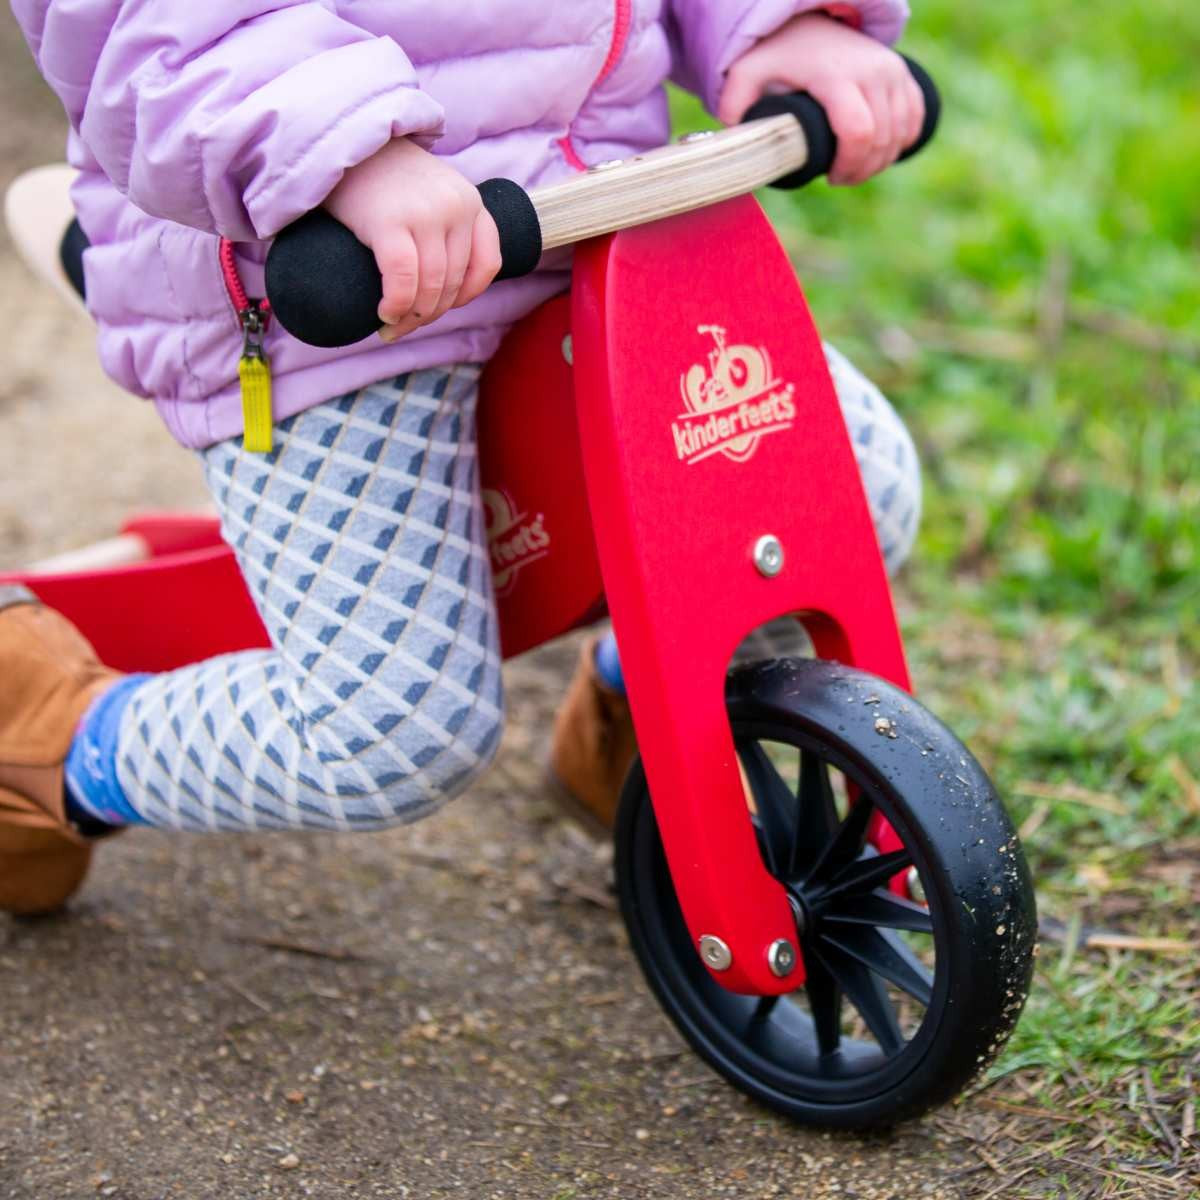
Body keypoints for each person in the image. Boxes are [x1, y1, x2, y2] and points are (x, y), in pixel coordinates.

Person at [1, 0, 922, 915]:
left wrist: (776, 21)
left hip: (589, 217)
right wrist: (339, 142)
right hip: (338, 287)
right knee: (392, 730)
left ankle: (648, 722)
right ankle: (56, 742)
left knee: (852, 496)